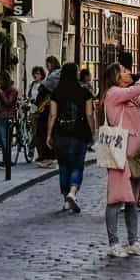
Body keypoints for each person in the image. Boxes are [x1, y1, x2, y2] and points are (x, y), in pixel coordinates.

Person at [101, 56, 140, 258]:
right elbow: (137, 89)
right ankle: (113, 243)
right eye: (124, 71)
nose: (128, 73)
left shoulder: (129, 98)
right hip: (120, 157)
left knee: (132, 201)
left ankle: (133, 241)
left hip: (135, 157)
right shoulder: (114, 94)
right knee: (115, 200)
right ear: (116, 77)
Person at [47, 62, 93, 213]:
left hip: (60, 133)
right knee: (77, 165)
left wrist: (49, 134)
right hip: (79, 132)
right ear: (75, 74)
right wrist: (92, 131)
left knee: (64, 166)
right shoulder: (84, 92)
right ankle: (72, 192)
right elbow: (89, 114)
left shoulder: (56, 92)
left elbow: (52, 115)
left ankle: (65, 199)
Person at [30, 67, 56, 168]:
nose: (36, 75)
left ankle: (44, 156)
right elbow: (32, 97)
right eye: (35, 73)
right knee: (36, 133)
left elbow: (46, 98)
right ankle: (41, 155)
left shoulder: (45, 85)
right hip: (35, 110)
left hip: (42, 112)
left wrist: (41, 107)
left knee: (40, 133)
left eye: (38, 73)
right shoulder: (32, 84)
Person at [0, 71, 20, 166]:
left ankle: (7, 161)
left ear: (5, 79)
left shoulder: (13, 90)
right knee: (1, 139)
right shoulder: (2, 89)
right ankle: (5, 160)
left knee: (5, 139)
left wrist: (1, 93)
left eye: (0, 79)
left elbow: (8, 102)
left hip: (6, 117)